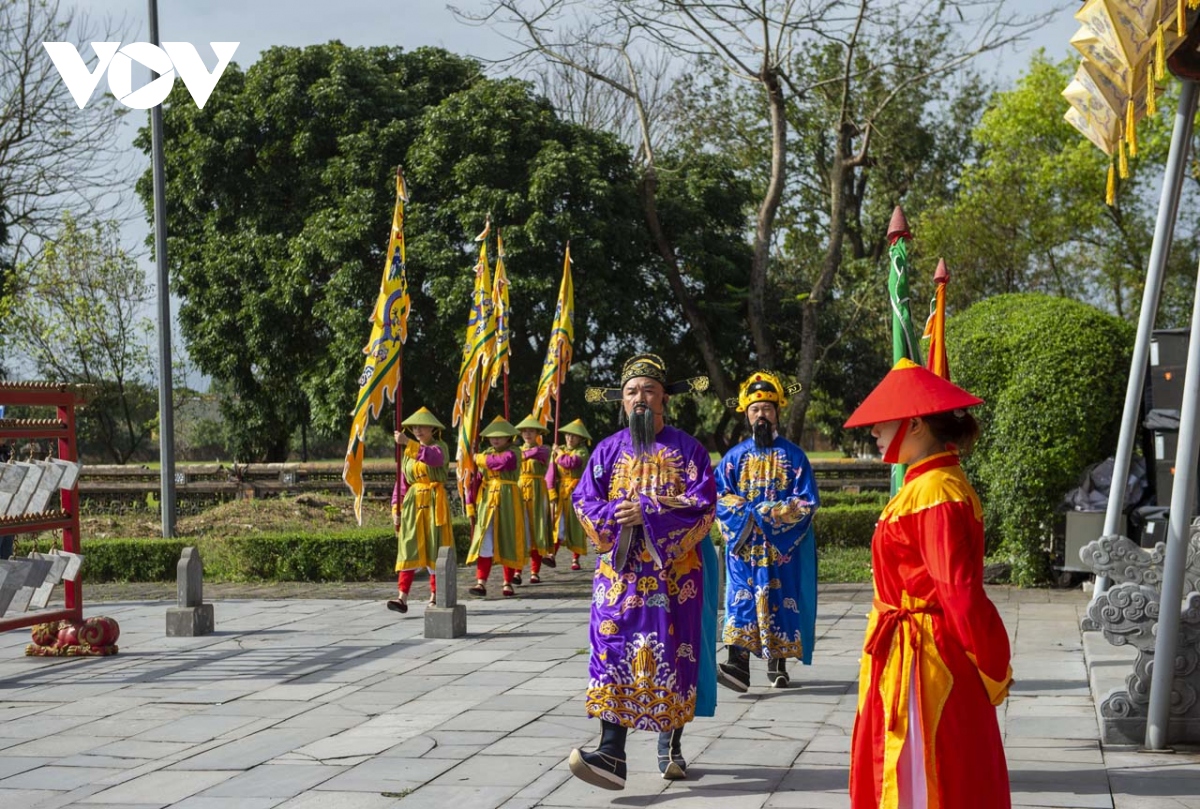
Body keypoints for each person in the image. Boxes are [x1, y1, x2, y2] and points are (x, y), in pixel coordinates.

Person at [843, 358, 1013, 809]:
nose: (875, 432)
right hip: (905, 649)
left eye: (883, 423)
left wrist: (992, 663)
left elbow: (959, 591)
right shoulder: (926, 483)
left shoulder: (936, 490)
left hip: (926, 661)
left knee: (924, 774)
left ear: (914, 423)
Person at [568, 353, 717, 789]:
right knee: (611, 652)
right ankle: (611, 752)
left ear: (664, 399)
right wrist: (618, 513)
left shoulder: (688, 450)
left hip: (673, 579)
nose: (639, 398)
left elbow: (703, 505)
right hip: (619, 581)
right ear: (623, 401)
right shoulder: (606, 450)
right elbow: (583, 501)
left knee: (672, 653)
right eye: (631, 391)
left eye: (648, 390)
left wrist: (649, 512)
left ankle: (670, 746)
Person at [715, 371, 819, 691]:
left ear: (777, 413)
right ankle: (738, 666)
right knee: (741, 601)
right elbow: (718, 496)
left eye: (768, 409)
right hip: (744, 546)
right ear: (747, 415)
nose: (762, 415)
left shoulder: (794, 456)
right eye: (756, 409)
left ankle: (779, 663)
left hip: (780, 548)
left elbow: (806, 502)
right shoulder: (734, 458)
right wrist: (747, 513)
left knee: (780, 601)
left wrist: (769, 513)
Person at [387, 408, 453, 614]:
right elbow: (402, 482)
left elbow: (432, 459)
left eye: (422, 426)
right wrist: (396, 506)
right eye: (414, 427)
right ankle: (402, 597)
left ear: (432, 428)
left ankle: (435, 595)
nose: (417, 430)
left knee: (435, 546)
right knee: (408, 546)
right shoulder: (407, 454)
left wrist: (408, 443)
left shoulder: (440, 447)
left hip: (434, 501)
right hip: (413, 503)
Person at [465, 417, 528, 598]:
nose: (495, 439)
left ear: (509, 437)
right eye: (492, 436)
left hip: (508, 499)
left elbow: (502, 462)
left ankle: (507, 582)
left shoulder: (515, 451)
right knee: (485, 540)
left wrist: (479, 459)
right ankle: (480, 582)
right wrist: (470, 504)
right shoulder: (485, 453)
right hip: (488, 501)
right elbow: (475, 481)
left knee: (507, 539)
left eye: (500, 436)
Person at [515, 415, 556, 583]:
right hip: (520, 490)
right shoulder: (515, 450)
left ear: (537, 433)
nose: (527, 434)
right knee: (520, 530)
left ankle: (534, 571)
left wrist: (518, 455)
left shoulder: (544, 449)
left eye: (531, 431)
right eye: (524, 431)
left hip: (538, 491)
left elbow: (535, 454)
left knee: (536, 529)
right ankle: (517, 571)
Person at [550, 419, 592, 571]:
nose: (570, 438)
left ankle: (575, 558)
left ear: (580, 438)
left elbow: (570, 463)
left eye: (574, 436)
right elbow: (551, 472)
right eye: (568, 435)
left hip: (577, 492)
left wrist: (559, 453)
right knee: (558, 524)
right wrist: (551, 491)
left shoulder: (582, 452)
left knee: (576, 526)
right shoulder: (559, 449)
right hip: (561, 492)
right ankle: (552, 555)